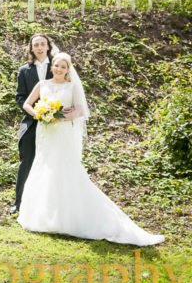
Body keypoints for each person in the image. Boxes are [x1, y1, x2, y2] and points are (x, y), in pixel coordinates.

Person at [17, 53, 164, 246]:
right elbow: (27, 103)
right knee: (44, 170)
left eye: (63, 67)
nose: (59, 69)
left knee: (64, 170)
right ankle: (44, 218)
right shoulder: (42, 85)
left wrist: (59, 116)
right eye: (56, 66)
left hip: (61, 133)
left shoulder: (72, 87)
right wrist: (39, 113)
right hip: (45, 134)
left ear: (68, 69)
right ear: (52, 67)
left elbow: (80, 110)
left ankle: (72, 218)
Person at [10, 34, 63, 214]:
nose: (39, 47)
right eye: (36, 45)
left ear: (48, 46)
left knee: (54, 163)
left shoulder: (58, 67)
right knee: (26, 161)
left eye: (42, 44)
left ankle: (51, 205)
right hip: (32, 122)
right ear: (31, 49)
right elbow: (20, 97)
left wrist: (54, 114)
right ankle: (19, 203)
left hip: (55, 123)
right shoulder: (24, 70)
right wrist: (37, 114)